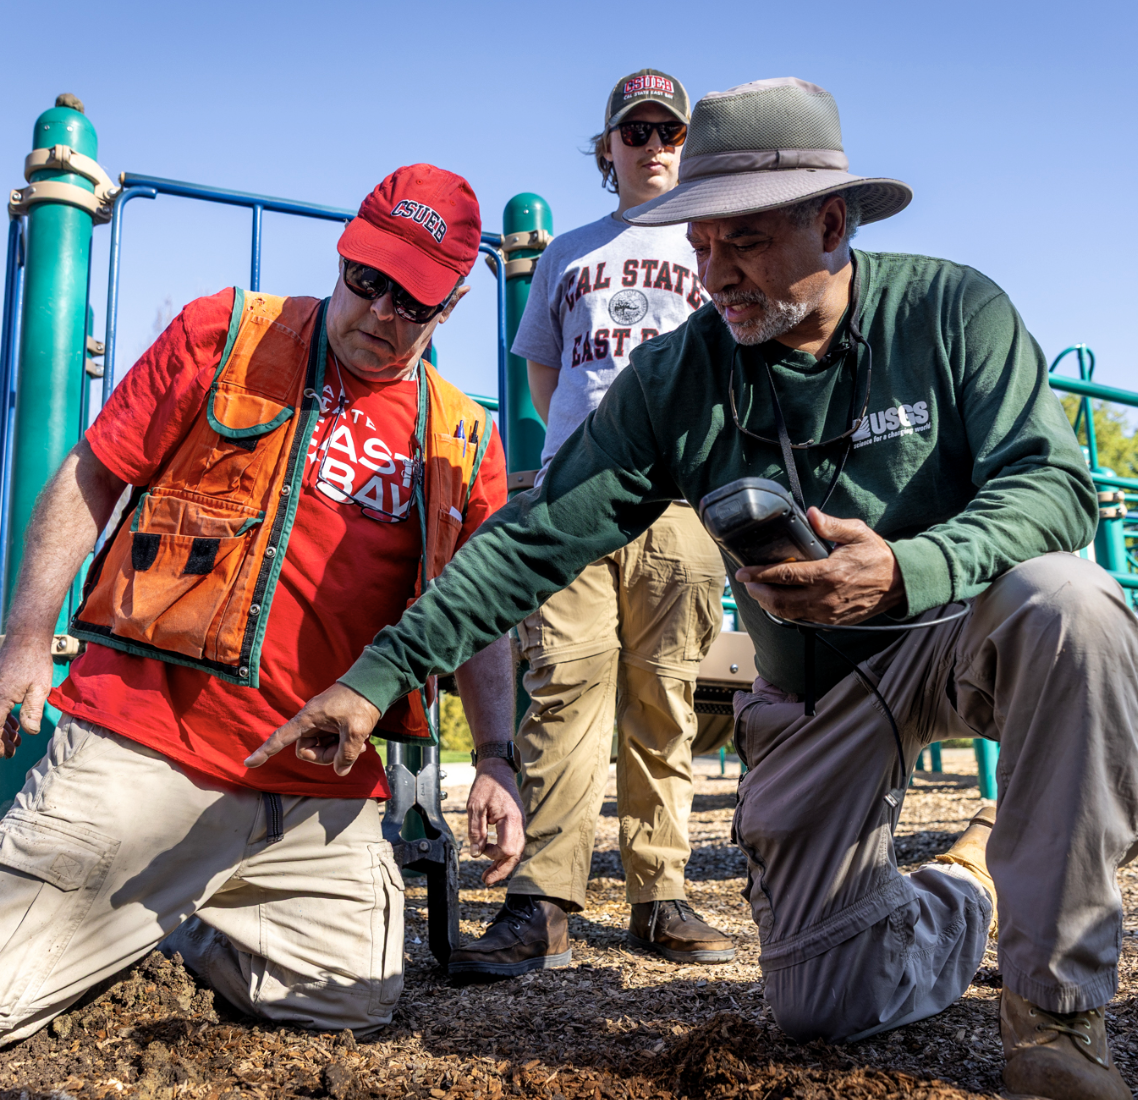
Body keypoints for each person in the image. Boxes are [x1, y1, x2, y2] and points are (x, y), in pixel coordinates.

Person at [251, 80, 1138, 1100]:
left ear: (832, 220)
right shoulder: (680, 375)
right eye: (700, 242)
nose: (712, 271)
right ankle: (961, 888)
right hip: (814, 690)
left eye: (744, 241)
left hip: (956, 626)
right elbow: (537, 534)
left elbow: (1055, 483)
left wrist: (906, 566)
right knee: (821, 1002)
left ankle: (1057, 1019)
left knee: (1074, 605)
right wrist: (378, 675)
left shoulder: (950, 310)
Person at [0, 164, 526, 1046]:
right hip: (149, 746)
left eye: (414, 301)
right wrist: (23, 637)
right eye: (368, 281)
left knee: (351, 1007)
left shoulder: (462, 434)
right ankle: (147, 902)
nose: (381, 313)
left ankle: (180, 916)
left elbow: (480, 614)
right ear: (345, 255)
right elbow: (93, 473)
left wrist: (501, 761)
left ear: (456, 303)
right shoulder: (225, 333)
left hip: (318, 790)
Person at [446, 68, 734, 980]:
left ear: (685, 144)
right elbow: (545, 379)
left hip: (681, 496)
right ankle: (544, 902)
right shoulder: (569, 253)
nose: (654, 147)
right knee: (564, 683)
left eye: (668, 132)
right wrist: (578, 456)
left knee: (666, 695)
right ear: (607, 150)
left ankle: (661, 894)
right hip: (577, 496)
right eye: (635, 133)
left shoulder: (711, 246)